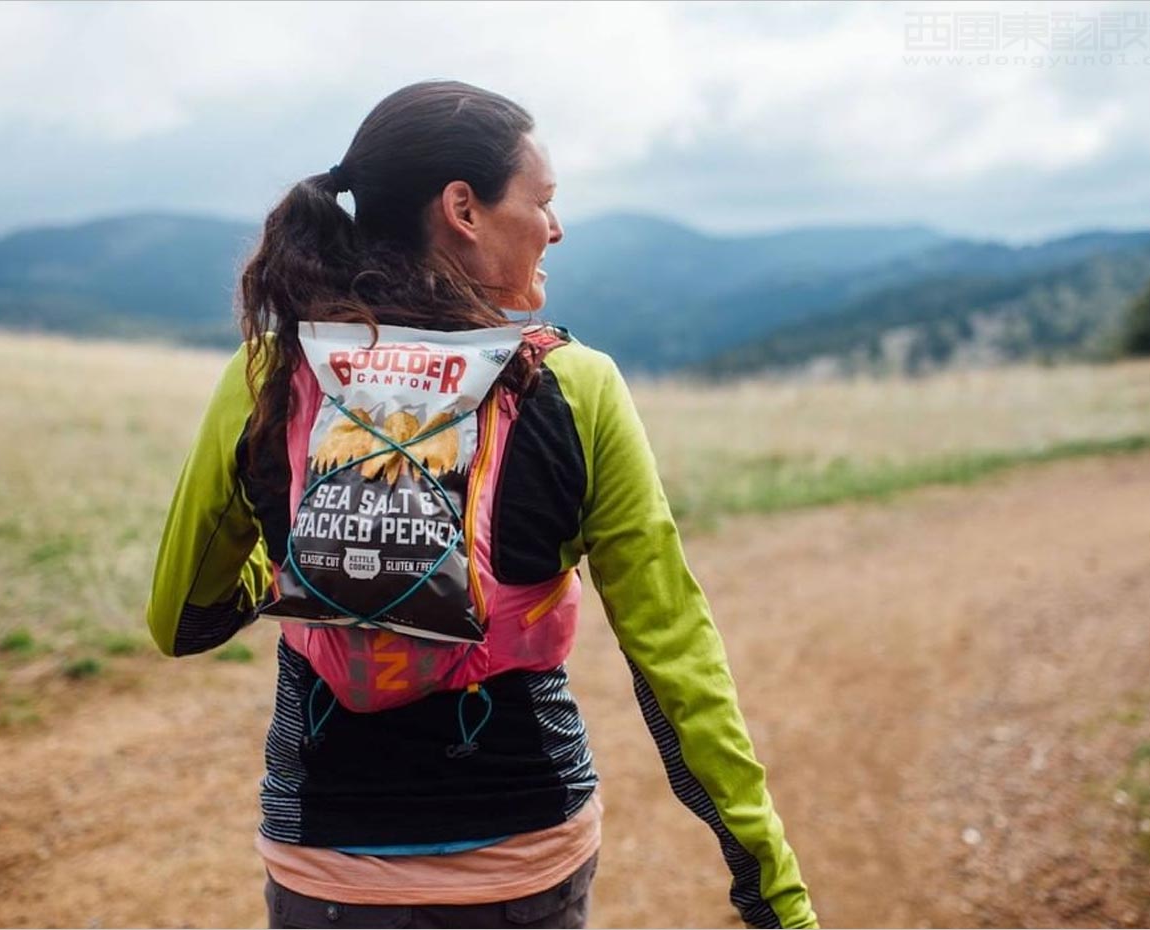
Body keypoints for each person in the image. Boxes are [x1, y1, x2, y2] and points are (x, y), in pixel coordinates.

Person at [146, 80, 817, 930]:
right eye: (543, 202)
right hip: (523, 850)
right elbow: (672, 654)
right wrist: (774, 891)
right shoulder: (574, 383)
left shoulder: (272, 374)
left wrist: (307, 555)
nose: (556, 228)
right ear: (463, 207)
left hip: (325, 859)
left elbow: (182, 619)